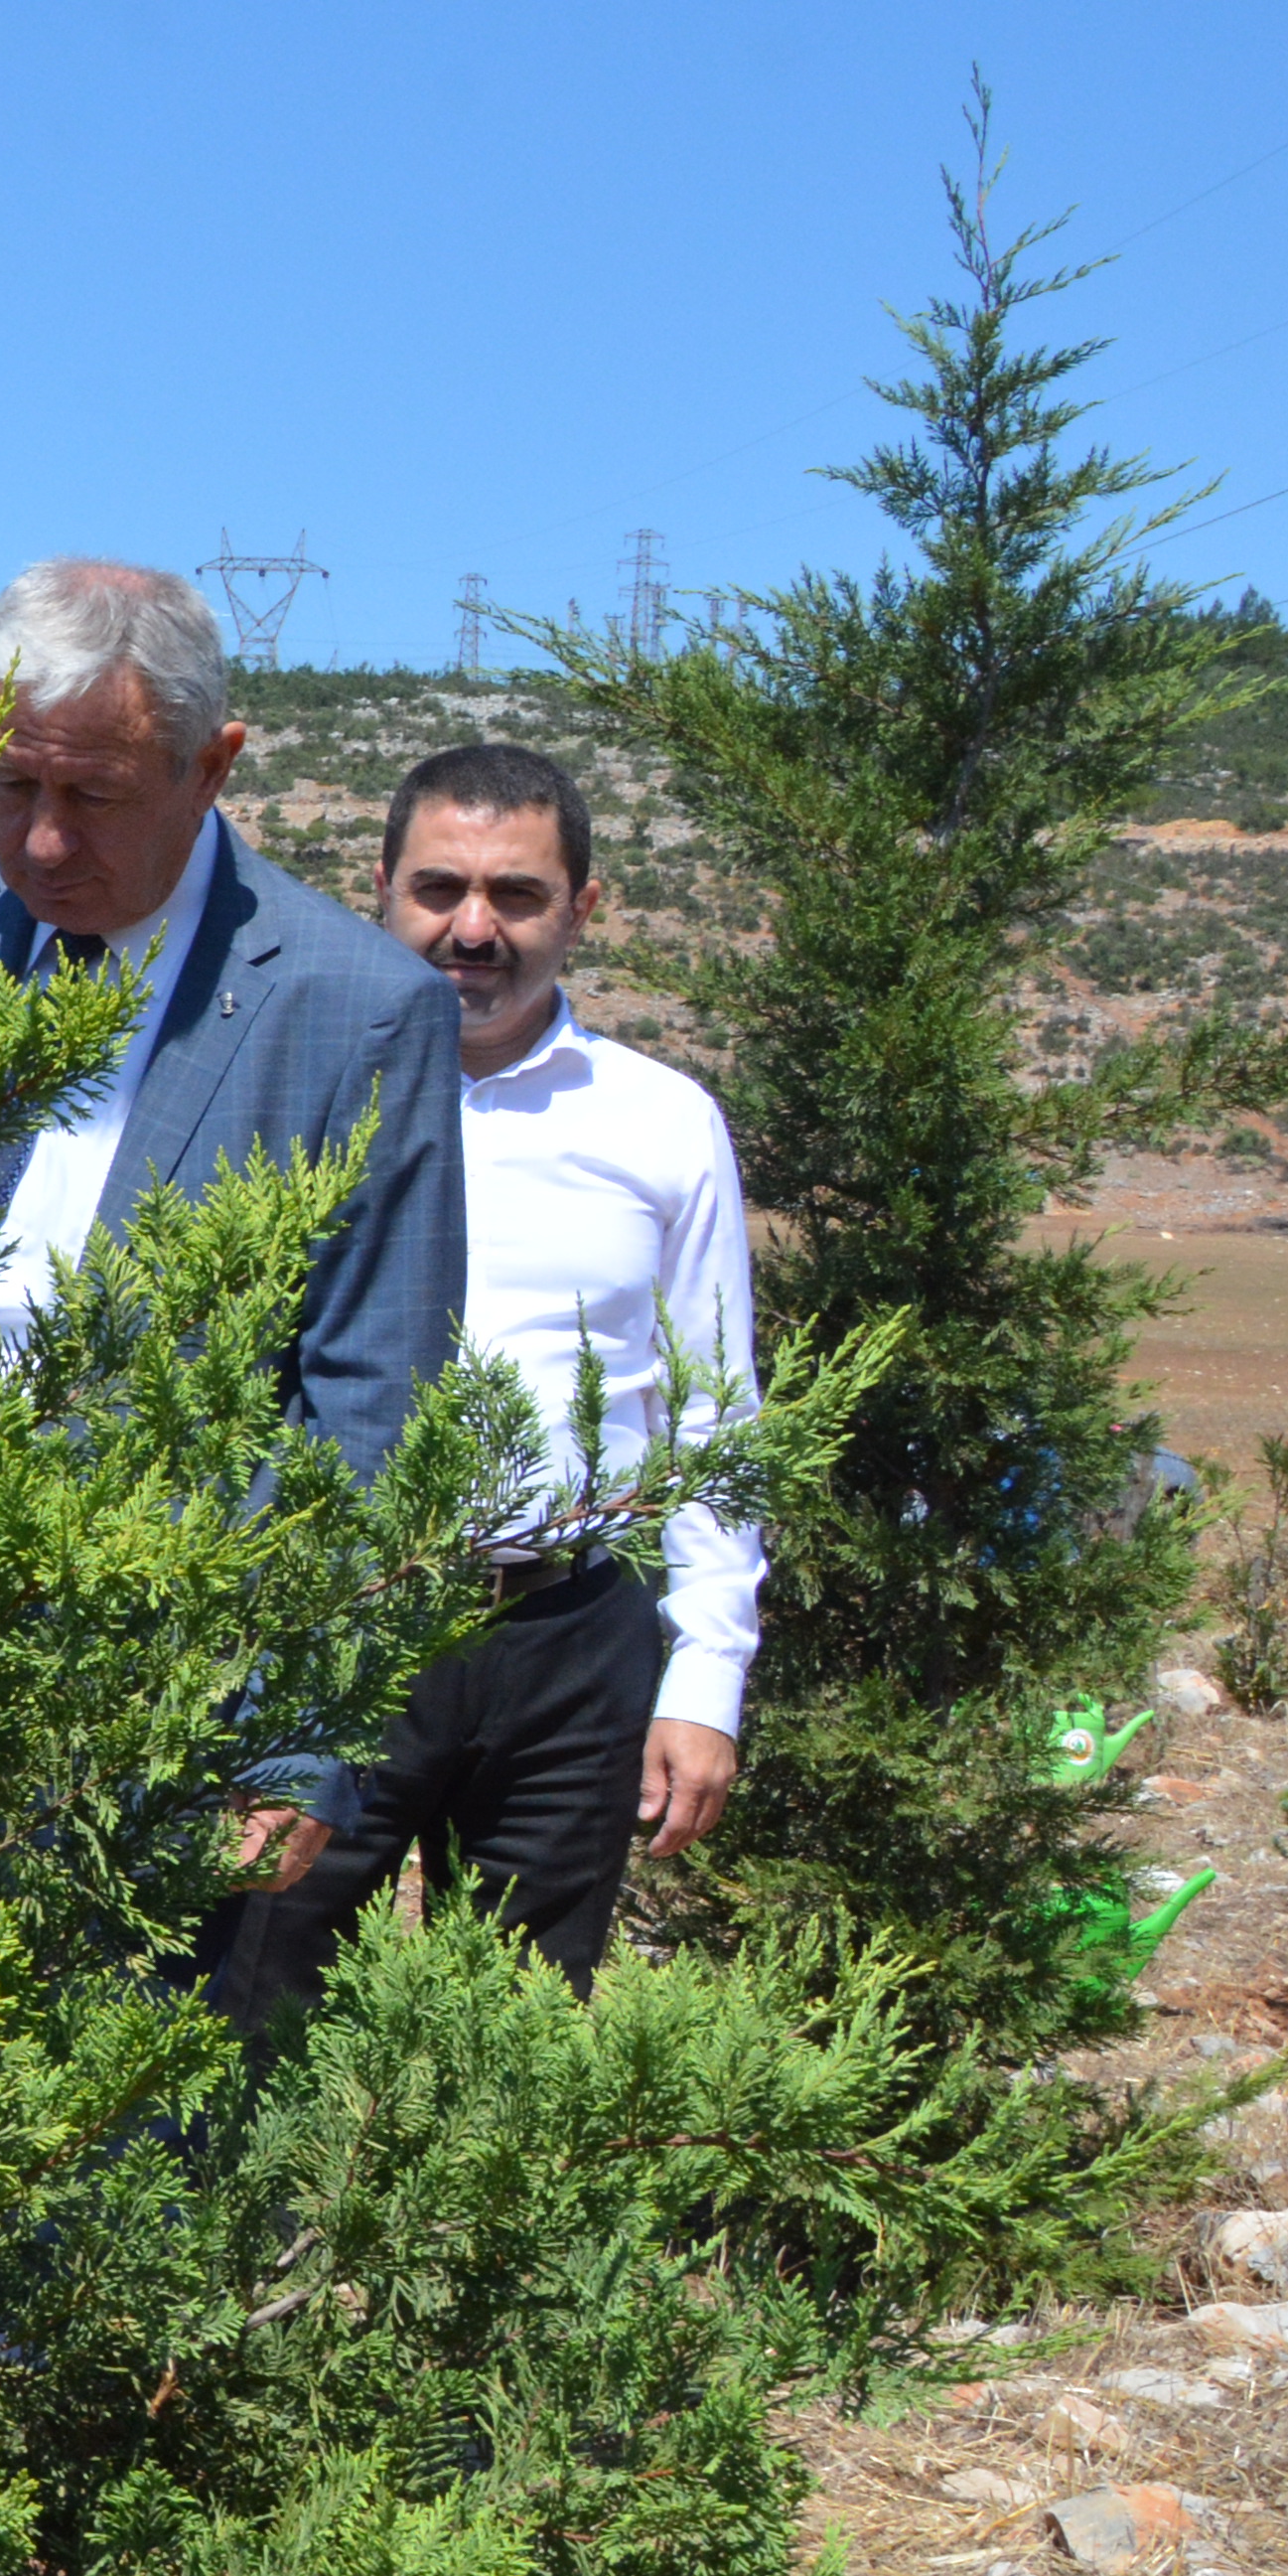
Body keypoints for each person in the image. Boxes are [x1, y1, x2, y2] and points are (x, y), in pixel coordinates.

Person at [209, 747, 760, 2025]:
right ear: (382, 889)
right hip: (326, 1631)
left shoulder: (663, 1123)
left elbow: (714, 1415)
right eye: (438, 887)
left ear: (584, 906)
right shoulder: (298, 1096)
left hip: (569, 1641)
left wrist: (705, 1678)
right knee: (247, 2011)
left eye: (515, 894)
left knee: (507, 2051)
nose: (471, 929)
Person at [0, 559, 466, 1489]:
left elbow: (374, 1420)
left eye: (95, 797)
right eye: (11, 785)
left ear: (210, 768)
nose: (45, 843)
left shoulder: (355, 1010)